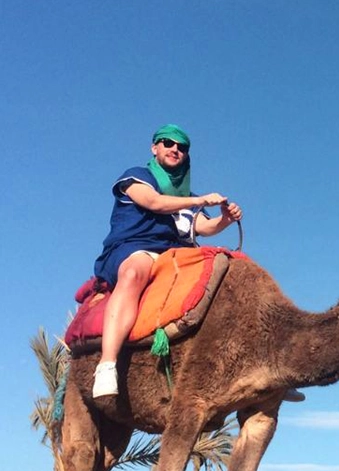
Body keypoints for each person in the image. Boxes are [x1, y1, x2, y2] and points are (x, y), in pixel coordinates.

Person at [89, 124, 249, 399]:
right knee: (134, 273)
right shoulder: (136, 178)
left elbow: (204, 227)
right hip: (136, 247)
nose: (175, 149)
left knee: (235, 277)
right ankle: (107, 364)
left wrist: (226, 217)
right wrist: (200, 199)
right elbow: (154, 202)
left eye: (182, 146)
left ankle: (263, 369)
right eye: (168, 143)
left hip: (176, 255)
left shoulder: (185, 197)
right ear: (155, 148)